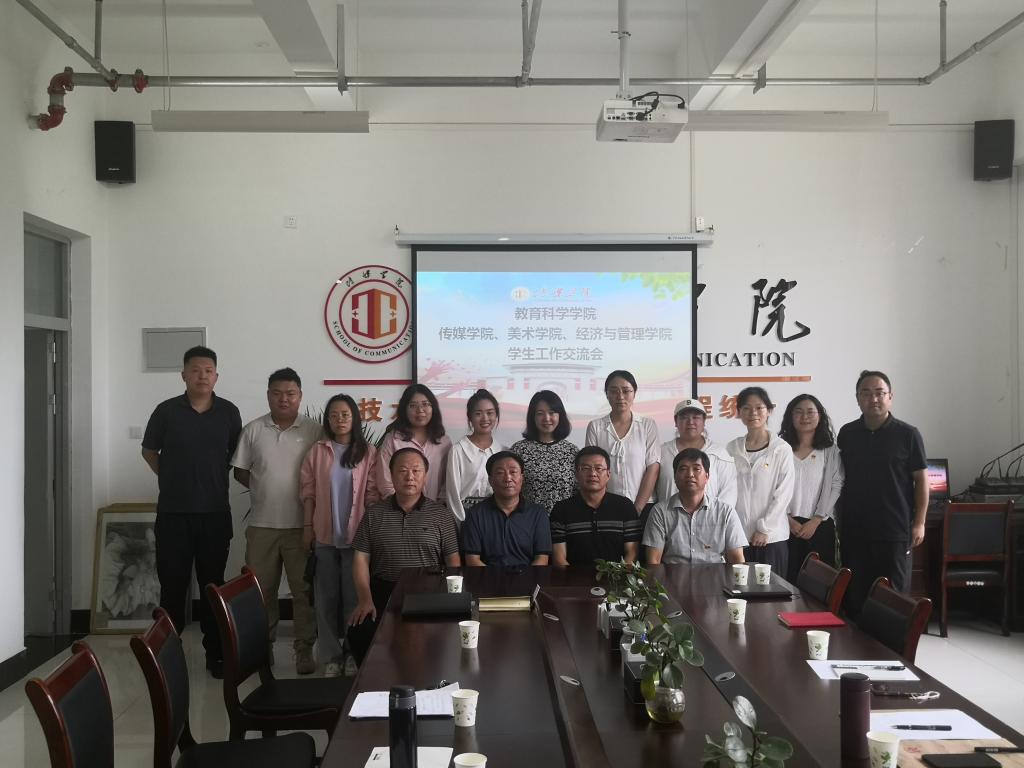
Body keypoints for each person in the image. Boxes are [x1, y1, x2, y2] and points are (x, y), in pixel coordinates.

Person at [141, 346, 242, 678]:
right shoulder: (167, 411)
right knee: (172, 588)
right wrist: (170, 478)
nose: (202, 376)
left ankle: (216, 655)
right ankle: (166, 659)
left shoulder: (229, 412)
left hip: (214, 514)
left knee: (213, 587)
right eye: (196, 370)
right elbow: (149, 450)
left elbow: (234, 456)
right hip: (174, 515)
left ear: (217, 376)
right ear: (183, 375)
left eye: (208, 370)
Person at [231, 367, 321, 675]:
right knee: (261, 591)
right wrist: (265, 488)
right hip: (262, 526)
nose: (284, 399)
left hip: (301, 527)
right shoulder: (253, 430)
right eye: (277, 393)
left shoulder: (314, 431)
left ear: (300, 396)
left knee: (303, 592)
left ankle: (304, 649)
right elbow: (241, 471)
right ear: (268, 395)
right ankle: (263, 648)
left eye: (290, 393)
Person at [347, 448, 460, 663]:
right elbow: (361, 558)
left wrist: (448, 600)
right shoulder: (374, 514)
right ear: (391, 475)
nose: (410, 477)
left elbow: (452, 560)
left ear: (425, 476)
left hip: (428, 593)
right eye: (403, 471)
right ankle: (372, 679)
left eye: (416, 471)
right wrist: (365, 599)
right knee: (360, 631)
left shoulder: (441, 515)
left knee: (439, 639)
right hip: (384, 592)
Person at [299, 393, 379, 677]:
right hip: (324, 536)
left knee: (354, 600)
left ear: (354, 418)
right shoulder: (317, 451)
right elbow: (308, 493)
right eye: (334, 415)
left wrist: (371, 536)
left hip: (357, 540)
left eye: (345, 414)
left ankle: (352, 653)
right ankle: (331, 656)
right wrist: (307, 529)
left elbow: (372, 496)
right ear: (327, 420)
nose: (339, 419)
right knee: (325, 600)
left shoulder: (368, 452)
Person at [837, 370, 928, 616]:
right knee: (855, 594)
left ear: (890, 397)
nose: (873, 399)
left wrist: (919, 522)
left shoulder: (908, 434)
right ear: (858, 398)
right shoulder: (847, 433)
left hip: (894, 529)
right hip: (855, 529)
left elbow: (921, 481)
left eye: (879, 393)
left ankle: (893, 641)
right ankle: (856, 639)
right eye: (866, 393)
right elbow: (839, 479)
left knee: (893, 596)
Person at [725, 387, 795, 576]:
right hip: (739, 538)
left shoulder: (781, 449)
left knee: (771, 591)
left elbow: (783, 493)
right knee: (738, 589)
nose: (753, 413)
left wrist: (765, 529)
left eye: (759, 408)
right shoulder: (732, 448)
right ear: (739, 412)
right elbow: (727, 491)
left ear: (769, 411)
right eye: (746, 408)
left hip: (771, 539)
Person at [778, 394, 844, 583]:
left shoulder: (830, 450)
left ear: (820, 416)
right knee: (787, 581)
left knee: (820, 583)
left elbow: (836, 484)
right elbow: (771, 486)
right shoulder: (780, 449)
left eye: (810, 412)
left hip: (819, 525)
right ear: (790, 417)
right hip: (785, 525)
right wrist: (788, 520)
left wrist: (816, 520)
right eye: (798, 412)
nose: (804, 417)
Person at [644, 448, 747, 565]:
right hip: (673, 576)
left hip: (715, 576)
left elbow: (737, 561)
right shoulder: (660, 512)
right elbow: (653, 561)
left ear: (707, 476)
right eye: (683, 469)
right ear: (675, 477)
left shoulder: (725, 512)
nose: (690, 474)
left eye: (696, 469)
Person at [550, 446, 641, 566]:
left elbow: (632, 552)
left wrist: (618, 575)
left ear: (608, 474)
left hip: (617, 576)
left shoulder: (625, 506)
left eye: (599, 468)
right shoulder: (561, 509)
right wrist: (574, 578)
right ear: (576, 474)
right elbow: (559, 558)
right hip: (574, 577)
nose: (592, 474)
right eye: (585, 468)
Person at [585, 370, 660, 515]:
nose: (620, 397)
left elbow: (653, 467)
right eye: (614, 391)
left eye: (626, 391)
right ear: (606, 394)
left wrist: (637, 508)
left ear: (634, 393)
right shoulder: (595, 427)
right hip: (606, 506)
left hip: (644, 505)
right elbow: (593, 469)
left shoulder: (647, 425)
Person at [463, 451, 552, 566]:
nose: (508, 478)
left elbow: (542, 558)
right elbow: (472, 560)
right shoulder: (475, 513)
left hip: (528, 576)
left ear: (522, 478)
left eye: (513, 472)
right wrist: (494, 577)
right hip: (488, 576)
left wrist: (526, 577)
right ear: (491, 481)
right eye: (500, 473)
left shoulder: (538, 513)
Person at [655, 398, 737, 508]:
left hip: (711, 518)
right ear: (675, 421)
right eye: (684, 417)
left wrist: (716, 517)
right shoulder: (661, 452)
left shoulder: (719, 453)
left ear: (704, 421)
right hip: (668, 517)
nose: (690, 422)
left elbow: (729, 493)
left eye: (696, 417)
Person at [378, 384, 452, 502]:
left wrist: (437, 506)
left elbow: (448, 480)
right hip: (399, 509)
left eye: (425, 404)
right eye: (413, 406)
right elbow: (385, 482)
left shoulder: (444, 441)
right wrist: (401, 506)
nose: (420, 410)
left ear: (433, 407)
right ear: (404, 409)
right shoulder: (393, 440)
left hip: (435, 508)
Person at [510, 390, 579, 514]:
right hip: (528, 519)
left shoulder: (572, 451)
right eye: (540, 413)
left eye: (552, 413)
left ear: (560, 416)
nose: (546, 418)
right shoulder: (518, 450)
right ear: (533, 417)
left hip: (566, 520)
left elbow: (579, 491)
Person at [446, 389, 504, 523]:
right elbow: (452, 495)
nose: (485, 418)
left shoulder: (502, 451)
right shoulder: (458, 450)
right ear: (470, 417)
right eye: (478, 413)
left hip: (497, 517)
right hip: (466, 517)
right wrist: (462, 525)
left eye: (490, 413)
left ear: (496, 415)